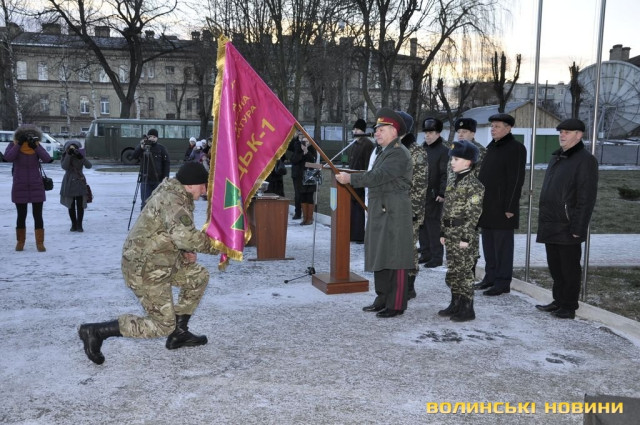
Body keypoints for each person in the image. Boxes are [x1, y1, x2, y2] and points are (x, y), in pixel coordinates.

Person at [78, 162, 220, 365]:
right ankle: (97, 331)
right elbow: (186, 237)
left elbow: (168, 234)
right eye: (203, 185)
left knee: (198, 276)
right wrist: (218, 246)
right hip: (144, 268)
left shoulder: (178, 195)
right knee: (163, 325)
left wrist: (184, 253)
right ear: (190, 184)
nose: (205, 191)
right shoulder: (172, 200)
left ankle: (179, 333)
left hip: (159, 262)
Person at [336, 108, 413, 318]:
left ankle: (396, 304)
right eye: (376, 129)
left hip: (394, 212)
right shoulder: (384, 151)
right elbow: (374, 174)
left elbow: (379, 176)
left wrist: (351, 179)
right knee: (381, 254)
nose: (376, 133)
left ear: (394, 131)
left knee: (395, 257)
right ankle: (382, 298)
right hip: (382, 209)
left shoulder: (398, 152)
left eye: (381, 129)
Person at [535, 119, 598, 319]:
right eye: (561, 131)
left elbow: (586, 197)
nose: (562, 135)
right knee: (555, 266)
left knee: (569, 268)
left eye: (567, 132)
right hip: (551, 221)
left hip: (568, 224)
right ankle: (558, 300)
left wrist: (578, 227)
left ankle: (569, 306)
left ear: (579, 135)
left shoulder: (585, 160)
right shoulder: (557, 157)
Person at [476, 113, 527, 296]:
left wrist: (510, 207)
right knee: (489, 246)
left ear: (508, 128)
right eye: (492, 126)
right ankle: (490, 277)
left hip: (503, 208)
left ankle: (502, 282)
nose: (493, 129)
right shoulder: (491, 147)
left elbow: (516, 179)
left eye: (497, 126)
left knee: (502, 248)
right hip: (487, 206)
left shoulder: (516, 148)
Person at [438, 140, 484, 322]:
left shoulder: (474, 185)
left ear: (468, 162)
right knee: (454, 270)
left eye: (456, 159)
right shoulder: (453, 181)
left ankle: (467, 308)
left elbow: (473, 214)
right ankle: (455, 303)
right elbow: (446, 209)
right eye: (452, 159)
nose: (452, 162)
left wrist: (466, 237)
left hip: (463, 234)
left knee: (464, 272)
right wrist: (443, 231)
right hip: (450, 233)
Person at [4, 126, 52, 252]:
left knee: (38, 215)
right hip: (20, 185)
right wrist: (19, 144)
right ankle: (20, 242)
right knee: (21, 215)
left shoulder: (36, 146)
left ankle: (40, 243)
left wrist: (35, 146)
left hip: (36, 185)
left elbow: (47, 159)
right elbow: (8, 158)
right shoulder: (13, 145)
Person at [397, 111, 427, 299]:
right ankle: (397, 282)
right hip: (394, 208)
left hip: (409, 209)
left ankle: (409, 285)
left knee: (408, 247)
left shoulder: (416, 152)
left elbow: (419, 185)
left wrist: (413, 211)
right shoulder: (394, 148)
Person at [454, 117, 486, 280]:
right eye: (459, 132)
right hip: (455, 204)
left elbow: (481, 179)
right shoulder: (455, 150)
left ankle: (468, 279)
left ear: (473, 133)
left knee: (469, 242)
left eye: (464, 131)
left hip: (471, 202)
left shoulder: (480, 152)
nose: (460, 134)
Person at [419, 117, 449, 268]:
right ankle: (425, 253)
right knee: (421, 225)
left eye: (430, 133)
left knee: (433, 226)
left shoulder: (443, 151)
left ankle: (436, 257)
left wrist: (442, 192)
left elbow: (445, 174)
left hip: (434, 194)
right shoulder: (422, 149)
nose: (427, 136)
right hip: (420, 194)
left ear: (438, 134)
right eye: (426, 133)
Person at [347, 118, 375, 243]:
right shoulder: (354, 143)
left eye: (357, 129)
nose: (355, 131)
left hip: (361, 180)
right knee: (353, 208)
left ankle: (360, 235)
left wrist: (363, 178)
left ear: (363, 130)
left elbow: (367, 163)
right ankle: (353, 233)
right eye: (354, 129)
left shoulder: (367, 144)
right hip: (353, 180)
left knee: (360, 208)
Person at [131, 128, 170, 209]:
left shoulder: (161, 148)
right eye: (150, 136)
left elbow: (166, 163)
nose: (152, 138)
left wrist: (165, 177)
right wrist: (141, 147)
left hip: (158, 180)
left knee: (157, 204)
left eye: (154, 137)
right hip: (145, 180)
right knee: (145, 204)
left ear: (157, 138)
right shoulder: (143, 147)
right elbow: (134, 156)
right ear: (147, 137)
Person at [60, 141, 93, 232]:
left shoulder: (80, 155)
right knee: (70, 205)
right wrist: (68, 155)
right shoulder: (65, 155)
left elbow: (89, 166)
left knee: (80, 205)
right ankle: (73, 224)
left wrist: (81, 157)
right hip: (68, 182)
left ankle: (79, 225)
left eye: (74, 147)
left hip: (79, 181)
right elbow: (64, 167)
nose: (73, 149)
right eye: (70, 148)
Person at [290, 134, 317, 225]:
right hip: (300, 176)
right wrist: (302, 153)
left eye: (307, 141)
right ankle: (305, 218)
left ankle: (310, 218)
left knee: (309, 196)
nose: (305, 143)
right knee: (302, 196)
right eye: (303, 141)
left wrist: (307, 152)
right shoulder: (298, 149)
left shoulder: (312, 149)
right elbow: (294, 160)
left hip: (310, 175)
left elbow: (313, 160)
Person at [287, 133, 305, 219]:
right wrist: (294, 138)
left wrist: (301, 142)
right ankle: (298, 212)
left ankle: (301, 213)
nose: (300, 135)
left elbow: (296, 158)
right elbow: (289, 147)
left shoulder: (306, 143)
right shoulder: (296, 143)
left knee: (302, 194)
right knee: (298, 193)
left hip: (302, 172)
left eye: (301, 133)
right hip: (296, 173)